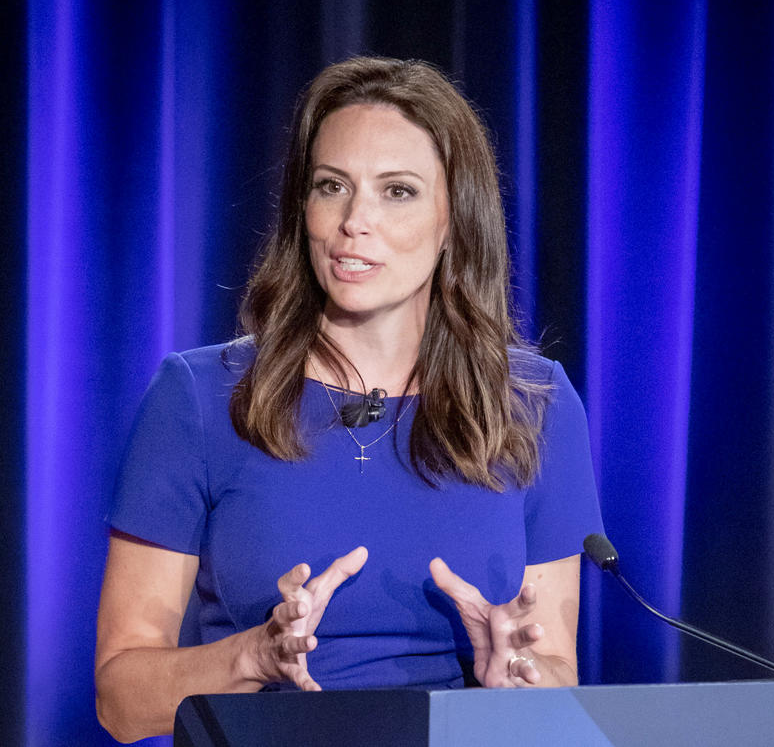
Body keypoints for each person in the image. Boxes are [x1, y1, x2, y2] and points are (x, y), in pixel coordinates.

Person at [95, 56, 603, 742]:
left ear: (455, 218)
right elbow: (120, 699)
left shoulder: (535, 405)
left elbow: (555, 680)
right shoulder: (200, 399)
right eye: (332, 186)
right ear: (302, 206)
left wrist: (515, 680)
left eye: (397, 192)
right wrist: (252, 657)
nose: (354, 220)